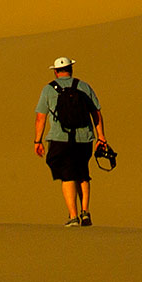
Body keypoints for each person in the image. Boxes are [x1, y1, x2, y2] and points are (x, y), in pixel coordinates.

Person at [34, 56, 109, 227]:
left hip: (59, 138)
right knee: (82, 173)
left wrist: (37, 141)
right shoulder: (84, 86)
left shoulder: (48, 90)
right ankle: (85, 212)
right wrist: (101, 136)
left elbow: (40, 117)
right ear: (71, 69)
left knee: (67, 175)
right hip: (84, 138)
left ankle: (73, 216)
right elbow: (96, 113)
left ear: (55, 71)